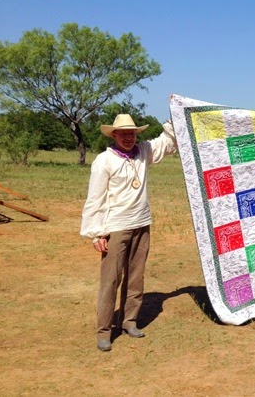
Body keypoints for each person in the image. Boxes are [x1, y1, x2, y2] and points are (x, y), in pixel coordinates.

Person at [80, 113, 177, 352]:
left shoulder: (143, 151)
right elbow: (95, 198)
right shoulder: (104, 160)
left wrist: (175, 115)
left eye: (131, 133)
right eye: (123, 134)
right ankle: (104, 331)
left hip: (142, 223)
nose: (128, 138)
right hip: (116, 227)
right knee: (111, 280)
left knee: (136, 277)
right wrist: (97, 233)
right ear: (114, 135)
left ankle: (129, 321)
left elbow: (168, 142)